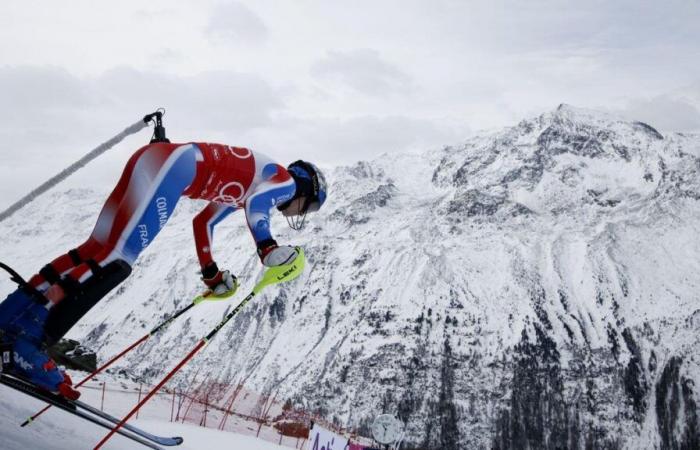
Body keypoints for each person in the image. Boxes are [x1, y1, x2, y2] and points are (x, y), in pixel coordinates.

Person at [0, 141, 327, 399]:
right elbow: (259, 207)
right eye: (309, 207)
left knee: (94, 250)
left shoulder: (256, 182)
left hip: (160, 160)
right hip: (173, 171)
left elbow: (203, 223)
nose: (301, 211)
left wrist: (211, 273)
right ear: (305, 191)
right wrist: (268, 248)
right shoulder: (285, 182)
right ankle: (24, 343)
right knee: (116, 261)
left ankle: (9, 319)